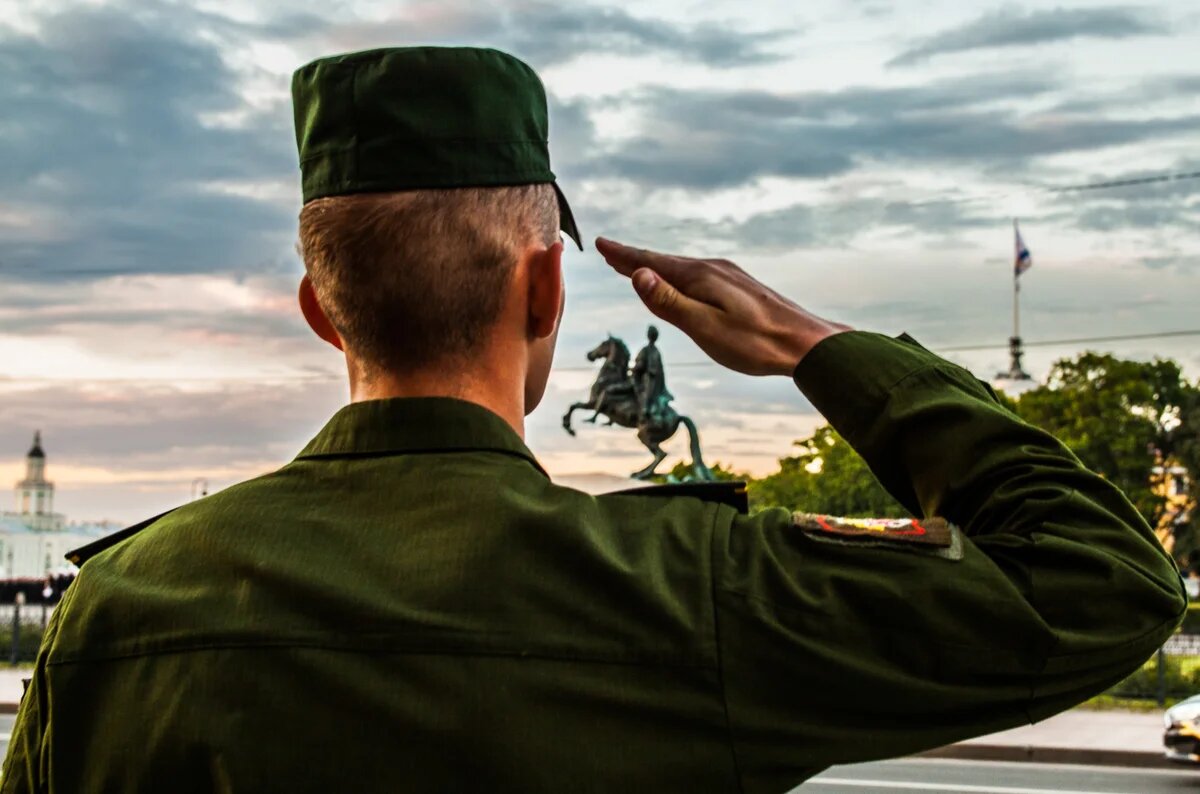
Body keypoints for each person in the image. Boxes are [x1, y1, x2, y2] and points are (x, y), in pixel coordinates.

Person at [1, 46, 1184, 794]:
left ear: (322, 310)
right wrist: (816, 346)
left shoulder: (119, 612)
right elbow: (1102, 581)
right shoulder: (693, 587)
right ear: (546, 289)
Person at [631, 325, 673, 424]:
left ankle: (644, 410)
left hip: (650, 378)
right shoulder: (656, 351)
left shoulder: (648, 350)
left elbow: (640, 365)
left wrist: (633, 368)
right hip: (654, 379)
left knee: (641, 391)